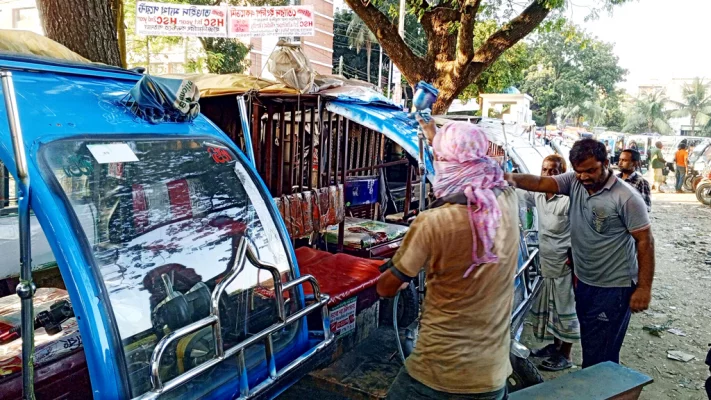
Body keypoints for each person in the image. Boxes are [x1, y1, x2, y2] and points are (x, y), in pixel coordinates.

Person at [379, 117, 519, 400]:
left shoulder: (433, 222)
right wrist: (433, 132)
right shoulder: (507, 201)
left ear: (443, 163)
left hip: (438, 373)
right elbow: (485, 171)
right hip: (490, 375)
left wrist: (394, 274)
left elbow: (386, 288)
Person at [505, 138, 655, 369]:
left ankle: (602, 389)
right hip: (585, 280)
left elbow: (645, 241)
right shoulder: (573, 182)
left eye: (591, 170)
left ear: (606, 163)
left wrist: (644, 288)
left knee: (601, 355)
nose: (584, 177)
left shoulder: (626, 197)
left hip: (614, 286)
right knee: (589, 341)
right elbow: (539, 182)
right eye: (579, 172)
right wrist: (507, 178)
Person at [520, 154, 580, 371]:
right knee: (553, 307)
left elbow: (581, 230)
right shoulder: (538, 195)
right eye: (546, 170)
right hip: (548, 260)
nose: (549, 174)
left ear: (563, 173)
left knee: (566, 307)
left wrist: (575, 258)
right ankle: (555, 347)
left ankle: (566, 354)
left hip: (566, 263)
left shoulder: (569, 198)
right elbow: (514, 191)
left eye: (555, 171)